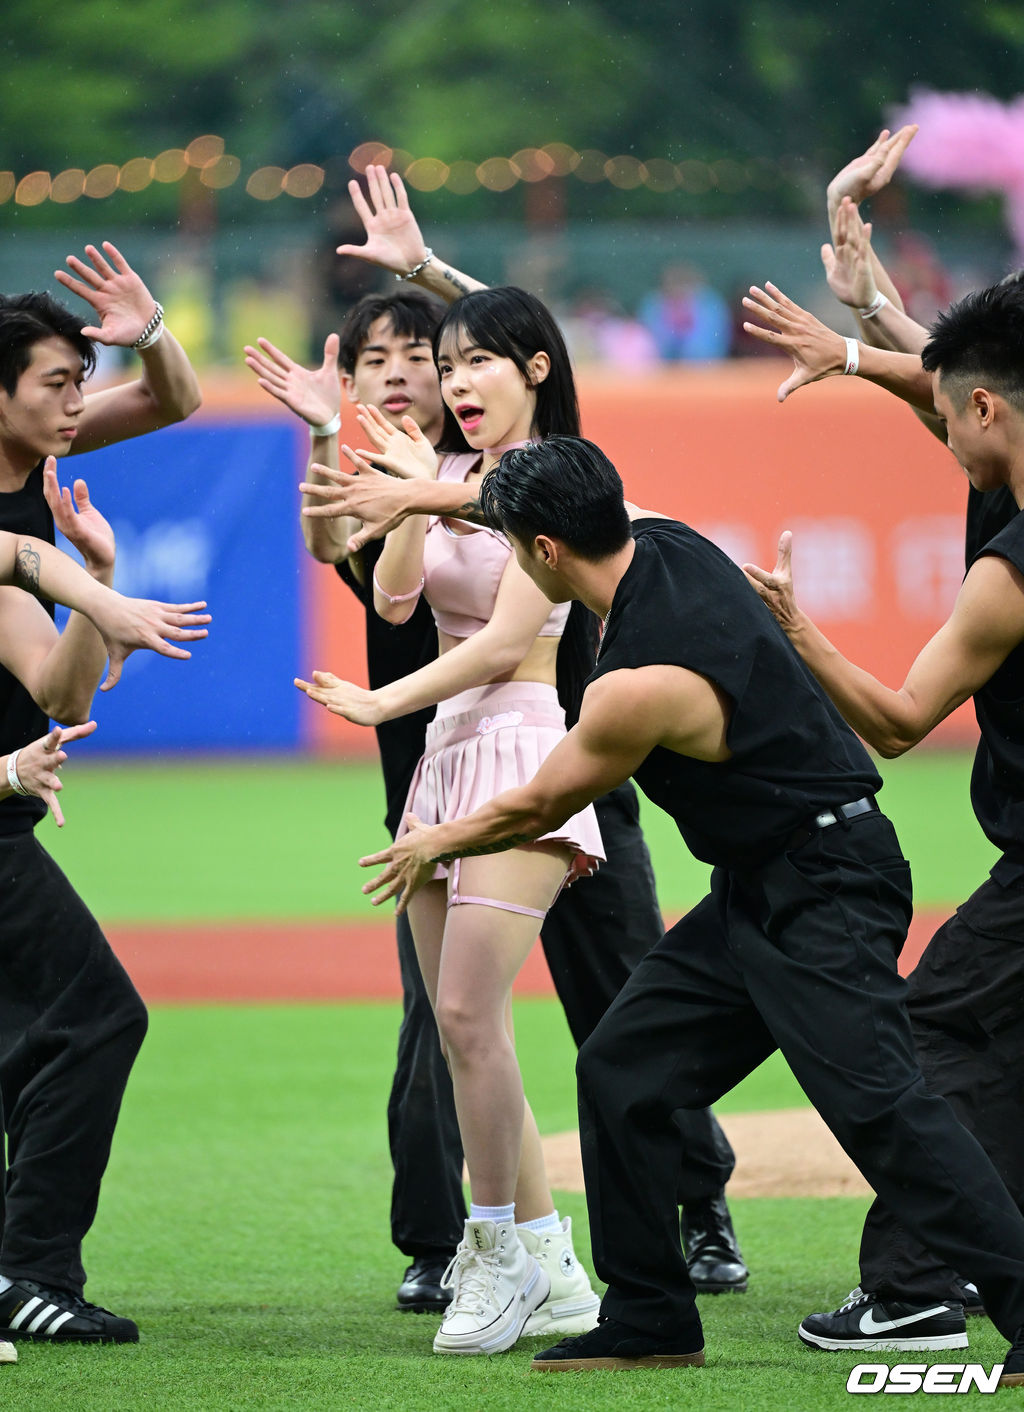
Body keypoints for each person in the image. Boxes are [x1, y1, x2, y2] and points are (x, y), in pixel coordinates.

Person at [357, 436, 1024, 1386]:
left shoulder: (637, 685)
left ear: (545, 552)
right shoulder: (666, 539)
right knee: (624, 1068)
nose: (505, 559)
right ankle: (648, 1316)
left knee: (882, 1106)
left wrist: (433, 841)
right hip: (757, 884)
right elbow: (534, 520)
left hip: (828, 880)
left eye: (510, 546)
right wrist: (435, 494)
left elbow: (539, 806)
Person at [253, 166, 747, 1307]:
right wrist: (351, 442)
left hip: (575, 763)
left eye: (430, 355)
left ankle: (690, 1204)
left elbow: (537, 362)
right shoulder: (405, 471)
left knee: (621, 995)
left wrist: (431, 274)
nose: (416, 373)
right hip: (435, 776)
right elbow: (373, 577)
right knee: (448, 1021)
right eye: (383, 357)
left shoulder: (544, 474)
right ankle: (460, 1239)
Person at [737, 193, 1024, 1355]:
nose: (943, 442)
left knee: (938, 1027)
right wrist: (872, 323)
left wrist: (795, 628)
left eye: (953, 423)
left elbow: (902, 721)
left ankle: (915, 1281)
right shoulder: (1002, 454)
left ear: (989, 410)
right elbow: (962, 386)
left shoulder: (1007, 575)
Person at [0, 253, 204, 1345]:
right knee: (96, 1016)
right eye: (56, 380)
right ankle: (29, 1269)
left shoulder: (42, 457)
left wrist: (150, 327)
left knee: (33, 1035)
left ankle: (20, 1267)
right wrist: (94, 591)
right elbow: (18, 561)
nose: (77, 400)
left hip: (6, 797)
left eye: (86, 378)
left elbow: (58, 694)